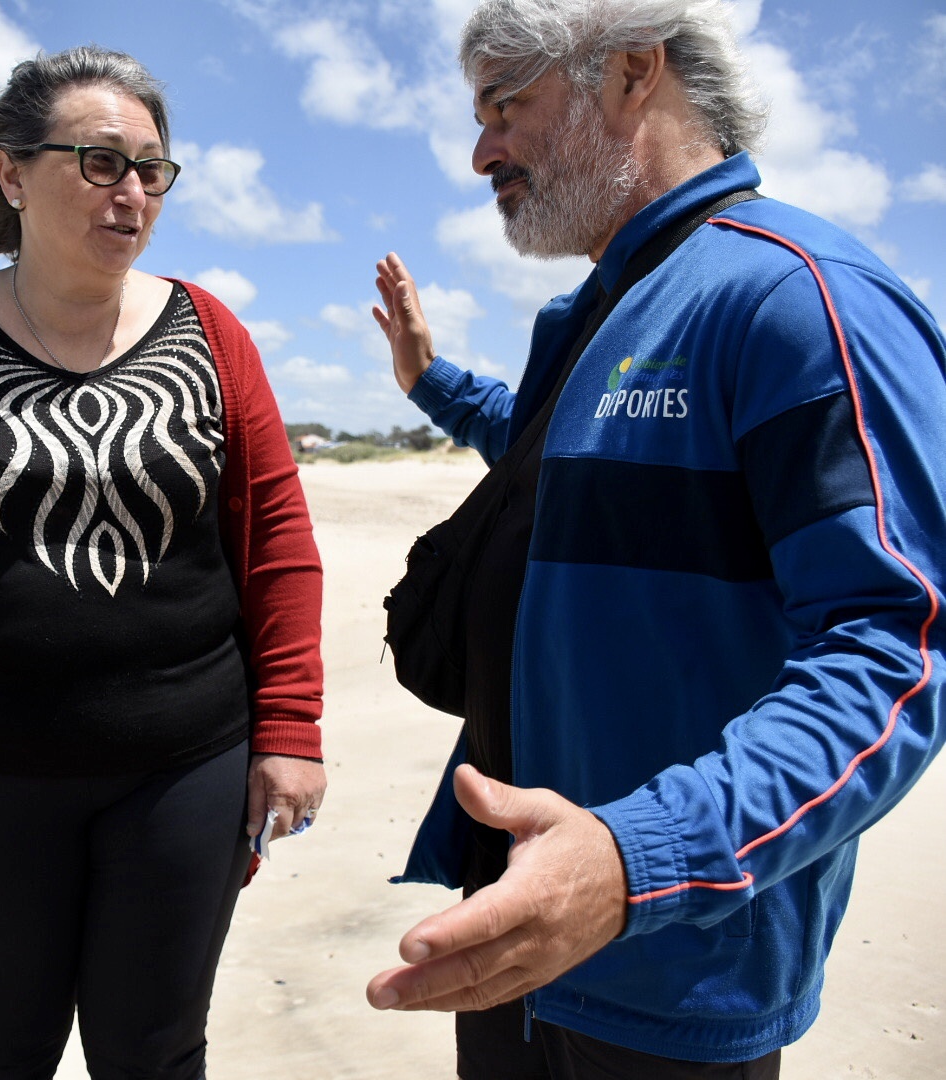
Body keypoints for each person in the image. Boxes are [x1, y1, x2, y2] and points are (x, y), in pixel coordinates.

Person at [364, 1, 946, 1077]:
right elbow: (565, 472)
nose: (481, 147)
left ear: (633, 71)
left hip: (672, 953)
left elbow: (895, 655)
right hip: (519, 909)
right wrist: (431, 384)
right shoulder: (604, 306)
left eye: (505, 104)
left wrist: (638, 860)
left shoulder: (798, 297)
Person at [0, 45, 326, 1080]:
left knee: (155, 1051)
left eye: (152, 168)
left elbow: (277, 536)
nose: (133, 191)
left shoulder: (211, 333)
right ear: (13, 173)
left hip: (189, 762)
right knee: (0, 1049)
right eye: (99, 162)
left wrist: (293, 724)